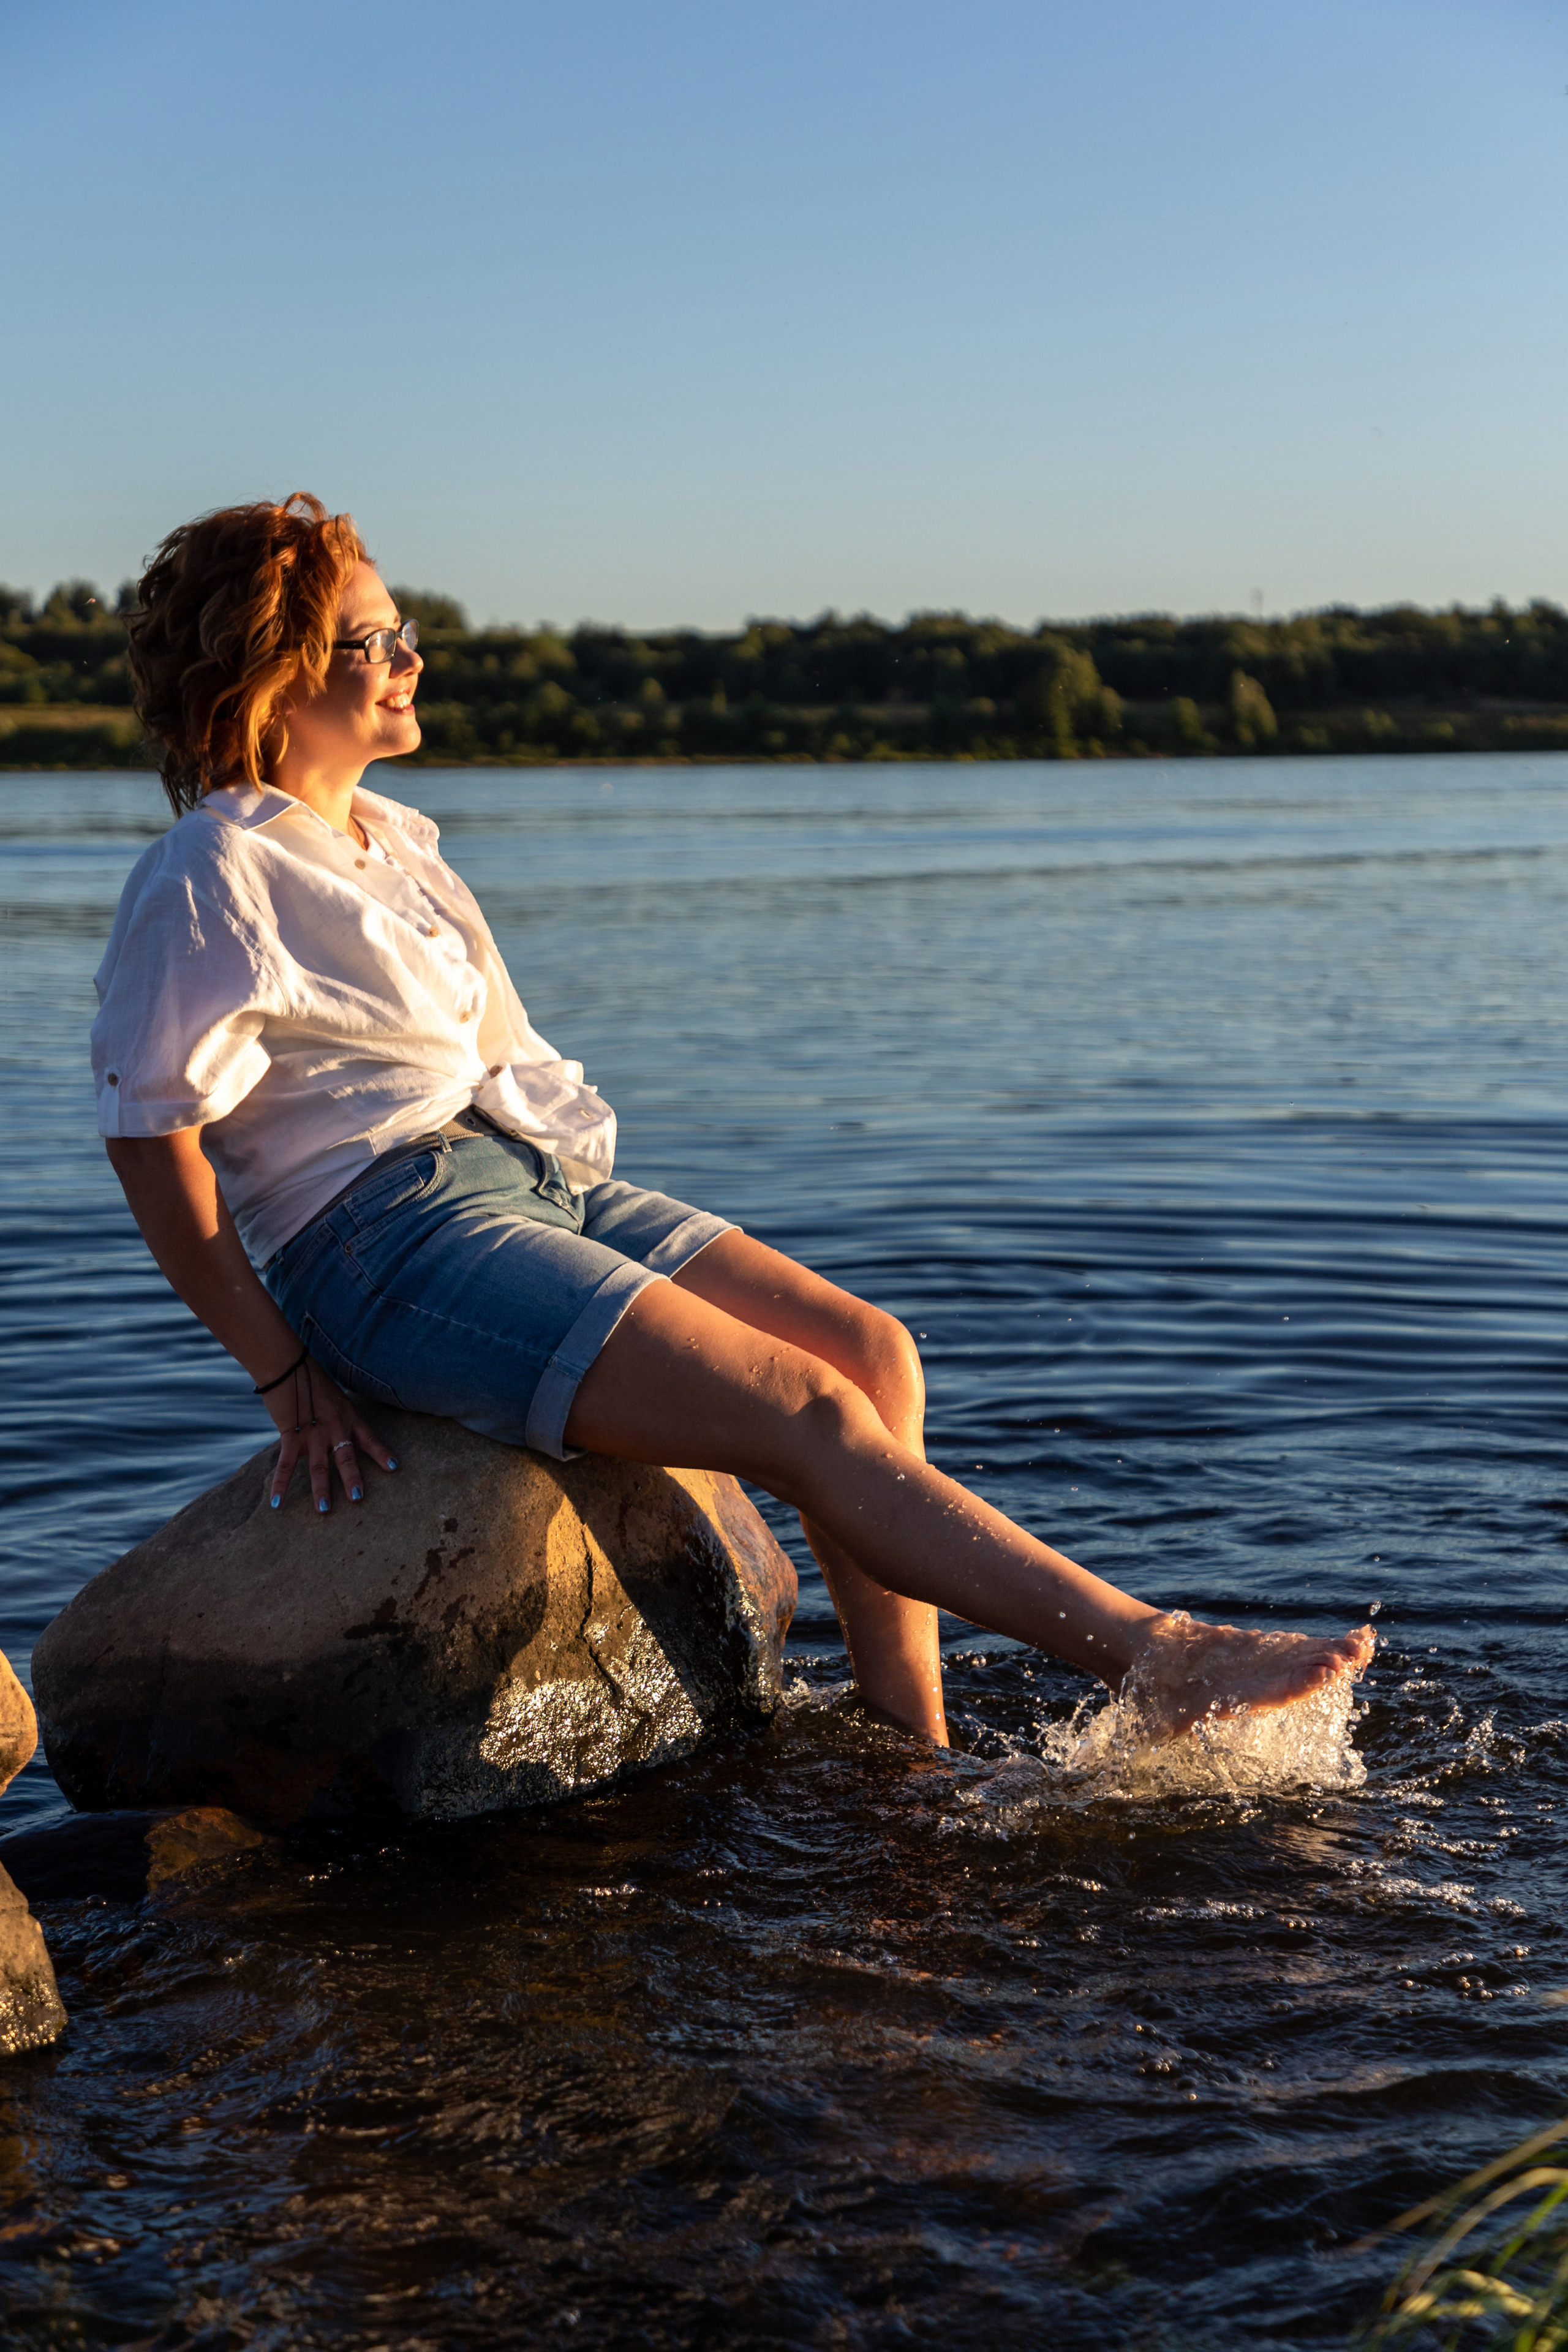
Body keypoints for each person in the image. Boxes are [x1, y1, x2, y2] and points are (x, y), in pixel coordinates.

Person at [92, 494, 1373, 1748]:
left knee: (871, 1356)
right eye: (376, 642)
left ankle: (904, 1752)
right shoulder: (213, 872)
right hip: (385, 1240)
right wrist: (284, 1373)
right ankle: (1154, 1651)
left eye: (403, 627)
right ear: (271, 678)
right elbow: (153, 1142)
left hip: (522, 1182)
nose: (413, 658)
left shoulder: (387, 842)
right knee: (807, 1412)